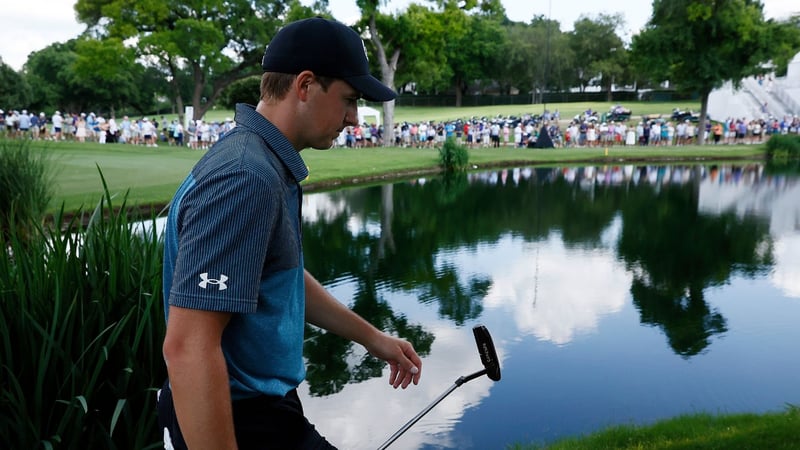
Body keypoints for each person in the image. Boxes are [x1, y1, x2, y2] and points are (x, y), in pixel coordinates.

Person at [158, 17, 423, 450]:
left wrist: (375, 339)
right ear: (304, 85)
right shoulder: (246, 176)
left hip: (261, 410)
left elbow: (275, 276)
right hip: (238, 418)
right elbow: (188, 347)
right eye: (349, 100)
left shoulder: (264, 161)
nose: (354, 118)